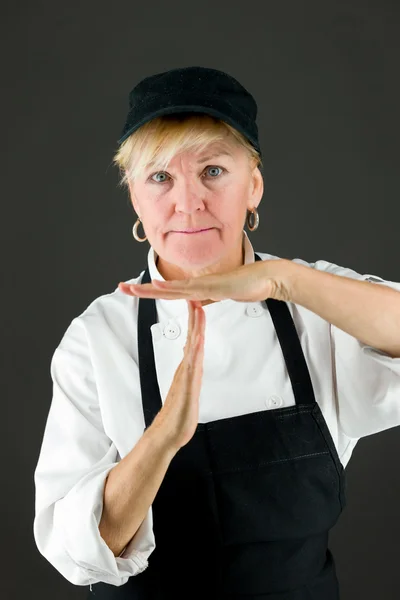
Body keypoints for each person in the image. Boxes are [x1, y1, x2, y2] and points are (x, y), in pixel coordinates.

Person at [33, 66, 400, 599]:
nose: (188, 203)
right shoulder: (95, 340)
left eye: (212, 171)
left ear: (253, 185)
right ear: (134, 196)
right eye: (160, 177)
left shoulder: (313, 301)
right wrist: (161, 440)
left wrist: (283, 280)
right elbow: (79, 553)